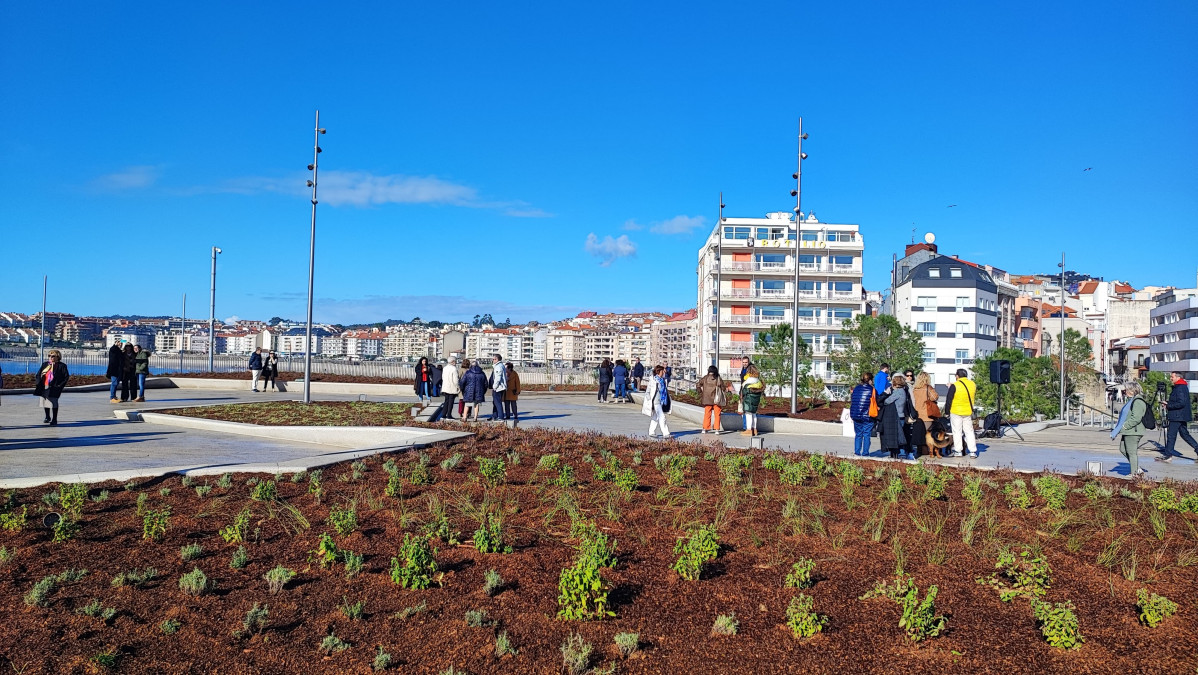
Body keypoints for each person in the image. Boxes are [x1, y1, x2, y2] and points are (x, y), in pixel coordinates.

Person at [1111, 381, 1148, 476]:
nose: (1125, 391)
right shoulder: (1131, 401)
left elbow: (1136, 418)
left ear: (1132, 390)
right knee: (1123, 449)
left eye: (1127, 389)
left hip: (1133, 431)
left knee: (1131, 452)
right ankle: (1136, 468)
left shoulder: (1138, 401)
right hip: (1128, 431)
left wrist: (1124, 426)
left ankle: (1134, 473)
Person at [1160, 371, 1198, 462]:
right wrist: (1168, 403)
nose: (1171, 378)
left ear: (1178, 377)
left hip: (1177, 415)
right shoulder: (1181, 387)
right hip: (1180, 415)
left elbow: (1181, 403)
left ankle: (1168, 455)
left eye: (1172, 377)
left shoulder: (1180, 388)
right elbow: (1179, 401)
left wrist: (1169, 405)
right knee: (1184, 434)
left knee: (1171, 435)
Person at [944, 368, 978, 458]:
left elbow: (949, 399)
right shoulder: (973, 384)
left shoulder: (955, 385)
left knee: (957, 432)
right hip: (968, 411)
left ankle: (958, 451)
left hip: (956, 411)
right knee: (969, 431)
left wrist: (946, 412)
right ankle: (973, 451)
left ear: (957, 376)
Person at [34, 349, 70, 426]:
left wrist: (60, 385)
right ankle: (47, 417)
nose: (51, 357)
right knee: (45, 401)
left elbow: (66, 377)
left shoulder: (62, 366)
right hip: (45, 385)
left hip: (55, 387)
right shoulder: (45, 364)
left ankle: (54, 419)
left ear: (58, 357)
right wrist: (38, 383)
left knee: (54, 402)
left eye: (53, 356)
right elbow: (38, 374)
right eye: (49, 356)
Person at [911, 372, 941, 458]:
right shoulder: (928, 388)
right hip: (927, 415)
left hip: (917, 415)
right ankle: (928, 451)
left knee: (919, 434)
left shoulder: (914, 389)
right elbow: (935, 397)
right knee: (928, 435)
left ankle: (920, 450)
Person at [881, 374, 911, 460]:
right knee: (899, 435)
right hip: (901, 415)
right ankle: (898, 454)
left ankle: (897, 454)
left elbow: (887, 401)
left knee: (896, 436)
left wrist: (887, 393)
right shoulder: (903, 391)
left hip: (896, 416)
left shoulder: (898, 392)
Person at [849, 372, 876, 456]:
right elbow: (876, 401)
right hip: (868, 415)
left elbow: (853, 400)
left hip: (856, 414)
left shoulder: (856, 388)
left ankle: (857, 452)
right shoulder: (872, 390)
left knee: (858, 434)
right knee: (867, 435)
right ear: (870, 380)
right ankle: (865, 453)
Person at [641, 364, 671, 439]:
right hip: (655, 401)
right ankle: (666, 433)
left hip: (661, 401)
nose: (663, 372)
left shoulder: (662, 380)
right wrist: (649, 399)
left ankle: (651, 431)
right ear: (658, 372)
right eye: (662, 371)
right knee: (662, 416)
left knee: (655, 417)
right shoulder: (653, 380)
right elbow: (648, 391)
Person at [697, 365, 727, 434]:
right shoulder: (718, 378)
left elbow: (698, 384)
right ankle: (716, 429)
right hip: (717, 399)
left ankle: (705, 428)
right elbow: (723, 388)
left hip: (707, 399)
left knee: (707, 414)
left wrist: (701, 392)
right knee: (717, 414)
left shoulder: (705, 378)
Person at [740, 365, 765, 436]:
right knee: (754, 414)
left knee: (748, 414)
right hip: (755, 401)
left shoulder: (748, 382)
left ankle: (748, 430)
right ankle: (755, 429)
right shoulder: (758, 382)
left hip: (748, 401)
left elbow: (744, 391)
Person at [489, 353, 508, 421]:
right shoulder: (499, 366)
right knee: (495, 402)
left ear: (497, 359)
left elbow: (498, 378)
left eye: (494, 359)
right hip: (500, 387)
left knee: (498, 402)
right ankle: (494, 415)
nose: (493, 360)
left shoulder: (498, 366)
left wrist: (494, 386)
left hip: (499, 387)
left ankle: (500, 416)